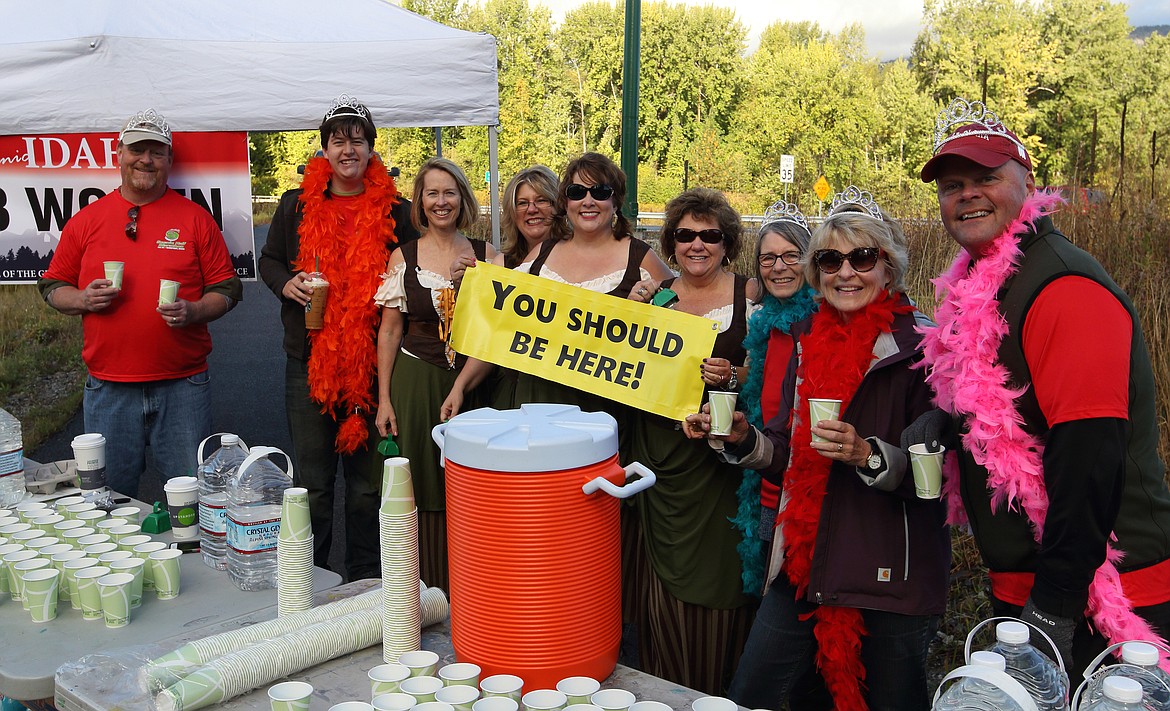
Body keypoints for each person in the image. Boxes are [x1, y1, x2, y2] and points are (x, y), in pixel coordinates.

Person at [912, 98, 1170, 676]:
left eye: (986, 178)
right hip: (1031, 582)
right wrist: (950, 424)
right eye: (952, 184)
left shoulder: (1063, 288)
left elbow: (1091, 454)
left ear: (1026, 182)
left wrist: (1054, 605)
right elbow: (1008, 411)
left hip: (1108, 595)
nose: (967, 194)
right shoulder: (985, 282)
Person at [684, 191, 950, 710]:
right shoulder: (807, 338)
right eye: (830, 260)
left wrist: (867, 454)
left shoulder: (925, 349)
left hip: (890, 571)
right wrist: (744, 440)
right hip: (808, 562)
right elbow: (786, 452)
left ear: (889, 268)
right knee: (751, 696)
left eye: (862, 258)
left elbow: (934, 476)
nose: (845, 273)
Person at [39, 108, 242, 499]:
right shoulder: (86, 220)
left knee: (191, 502)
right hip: (108, 389)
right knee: (106, 500)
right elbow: (51, 285)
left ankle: (186, 559)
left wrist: (193, 310)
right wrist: (82, 298)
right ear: (119, 154)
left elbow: (228, 290)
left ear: (169, 160)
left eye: (156, 151)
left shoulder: (196, 220)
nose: (145, 159)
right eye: (137, 149)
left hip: (183, 386)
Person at [258, 94, 418, 581]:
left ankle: (369, 581)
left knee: (370, 485)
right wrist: (284, 283)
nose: (347, 148)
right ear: (324, 149)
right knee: (315, 483)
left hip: (376, 360)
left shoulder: (400, 210)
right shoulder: (296, 206)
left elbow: (430, 252)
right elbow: (269, 262)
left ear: (371, 148)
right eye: (337, 139)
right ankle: (315, 579)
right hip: (310, 361)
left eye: (357, 138)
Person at [619, 187, 761, 693]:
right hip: (659, 454)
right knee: (662, 590)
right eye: (684, 235)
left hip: (721, 460)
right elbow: (624, 370)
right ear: (672, 241)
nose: (696, 245)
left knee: (723, 577)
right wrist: (632, 314)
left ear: (728, 243)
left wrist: (734, 373)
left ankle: (721, 690)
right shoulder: (656, 295)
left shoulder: (752, 294)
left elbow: (772, 370)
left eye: (710, 235)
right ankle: (668, 691)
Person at [439, 152, 672, 422]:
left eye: (599, 191)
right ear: (566, 202)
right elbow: (501, 332)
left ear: (615, 200)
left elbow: (681, 315)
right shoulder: (542, 253)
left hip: (601, 413)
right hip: (536, 402)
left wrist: (648, 308)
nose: (587, 201)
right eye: (576, 192)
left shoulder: (641, 258)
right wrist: (460, 387)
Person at [374, 156, 495, 592]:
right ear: (420, 203)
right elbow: (389, 331)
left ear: (463, 198)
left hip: (474, 383)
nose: (441, 202)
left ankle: (470, 589)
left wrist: (479, 284)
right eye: (432, 193)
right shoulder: (402, 257)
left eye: (449, 192)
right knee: (418, 484)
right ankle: (420, 592)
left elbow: (496, 337)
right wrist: (384, 398)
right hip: (415, 379)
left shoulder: (488, 257)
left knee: (470, 487)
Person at [731, 201, 818, 599]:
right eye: (768, 258)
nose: (778, 267)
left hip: (804, 489)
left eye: (790, 256)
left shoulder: (822, 320)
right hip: (766, 476)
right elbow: (763, 390)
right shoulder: (764, 321)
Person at [448, 165, 565, 408]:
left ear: (558, 206)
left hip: (568, 393)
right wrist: (459, 387)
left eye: (542, 200)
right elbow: (491, 338)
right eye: (522, 203)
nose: (532, 209)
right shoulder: (503, 264)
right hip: (514, 391)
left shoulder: (579, 259)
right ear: (513, 213)